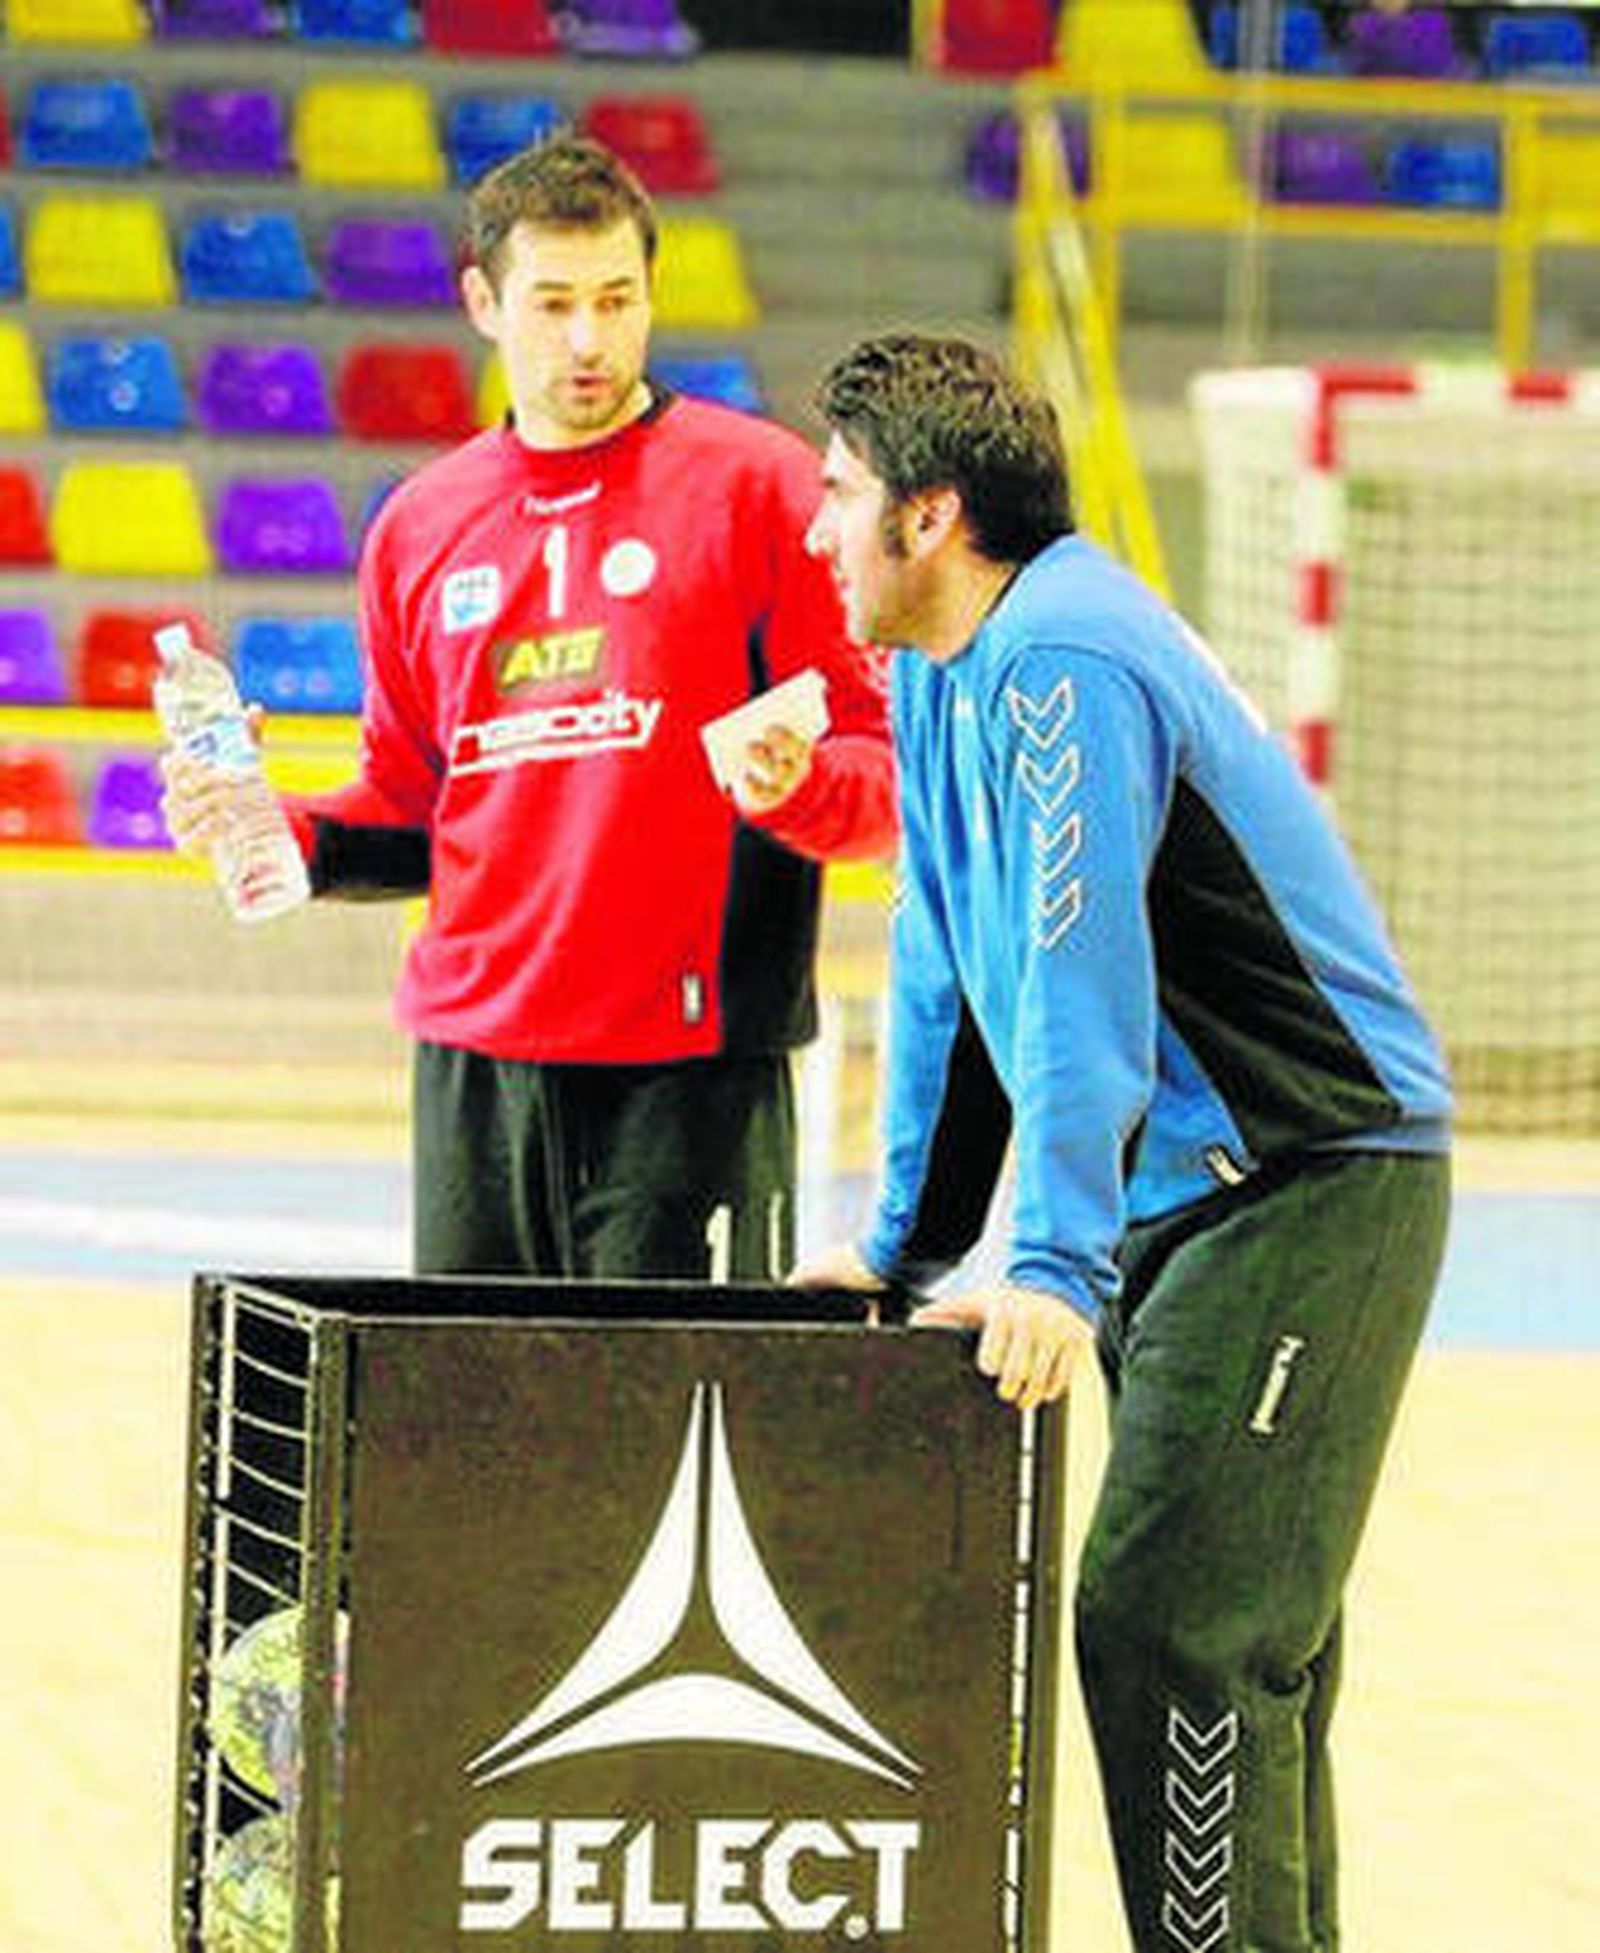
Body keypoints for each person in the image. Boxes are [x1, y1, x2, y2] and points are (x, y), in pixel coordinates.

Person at [795, 332, 1452, 1953]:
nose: (817, 530)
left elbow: (1083, 973)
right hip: (1192, 1203)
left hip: (1312, 1182)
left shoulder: (1067, 654)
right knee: (1235, 1646)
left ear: (931, 516)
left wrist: (1049, 1260)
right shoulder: (944, 669)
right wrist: (903, 1244)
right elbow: (953, 965)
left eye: (838, 494)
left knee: (1175, 1627)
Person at [161, 134, 895, 1282]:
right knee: (482, 1452)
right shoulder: (418, 525)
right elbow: (413, 807)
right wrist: (275, 829)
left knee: (668, 1454)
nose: (590, 339)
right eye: (552, 304)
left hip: (691, 1068)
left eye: (617, 299)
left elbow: (877, 769)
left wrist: (797, 788)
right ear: (483, 303)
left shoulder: (763, 488)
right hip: (472, 1066)